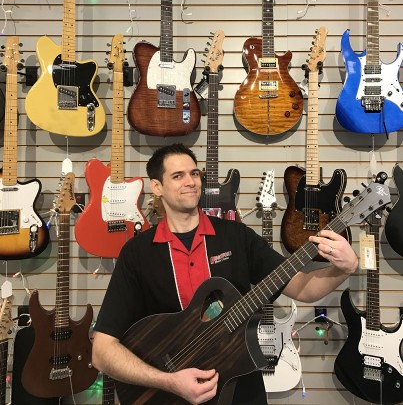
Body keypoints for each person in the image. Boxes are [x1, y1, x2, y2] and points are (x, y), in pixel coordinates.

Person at [92, 143, 358, 405]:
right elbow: (102, 352)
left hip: (240, 388)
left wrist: (342, 269)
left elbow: (302, 288)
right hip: (166, 394)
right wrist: (168, 381)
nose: (191, 181)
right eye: (178, 175)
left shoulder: (236, 236)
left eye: (194, 173)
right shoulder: (137, 253)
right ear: (157, 187)